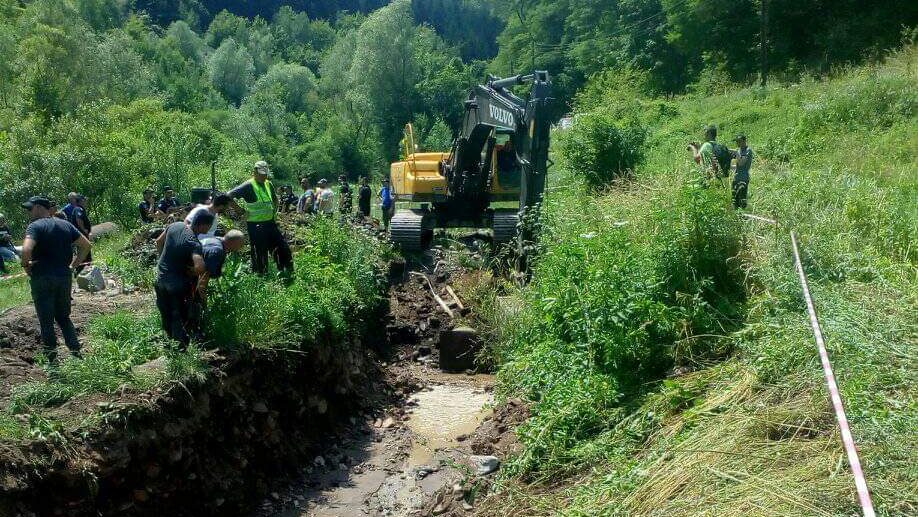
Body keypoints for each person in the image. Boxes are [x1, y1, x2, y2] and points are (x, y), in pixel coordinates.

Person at [19, 196, 92, 364]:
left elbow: (26, 249)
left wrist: (26, 265)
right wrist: (73, 266)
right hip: (64, 277)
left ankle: (52, 360)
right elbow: (86, 245)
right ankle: (76, 354)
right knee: (64, 317)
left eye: (30, 209)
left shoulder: (35, 226)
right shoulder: (65, 224)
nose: (29, 212)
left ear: (38, 207)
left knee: (46, 321)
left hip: (42, 277)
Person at [154, 213, 212, 348]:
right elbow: (200, 267)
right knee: (178, 315)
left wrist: (163, 261)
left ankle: (168, 344)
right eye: (208, 226)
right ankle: (181, 349)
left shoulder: (175, 225)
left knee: (165, 313)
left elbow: (158, 242)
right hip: (177, 283)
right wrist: (191, 271)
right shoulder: (194, 243)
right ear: (203, 225)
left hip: (161, 278)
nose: (208, 230)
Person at [227, 160, 293, 276]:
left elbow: (274, 199)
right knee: (260, 252)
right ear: (255, 172)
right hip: (256, 226)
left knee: (282, 247)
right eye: (261, 174)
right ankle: (261, 276)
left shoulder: (268, 184)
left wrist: (275, 211)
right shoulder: (248, 185)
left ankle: (285, 272)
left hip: (270, 223)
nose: (264, 176)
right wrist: (240, 211)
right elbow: (228, 196)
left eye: (265, 174)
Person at [731, 134, 753, 209]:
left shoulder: (748, 150)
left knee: (742, 200)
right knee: (734, 201)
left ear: (744, 141)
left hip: (743, 178)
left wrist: (736, 153)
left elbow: (741, 163)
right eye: (736, 142)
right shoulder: (739, 150)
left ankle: (744, 216)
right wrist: (729, 167)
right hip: (736, 178)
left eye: (739, 141)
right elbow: (738, 166)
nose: (737, 143)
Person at [72, 195, 92, 270]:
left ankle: (85, 270)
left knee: (86, 253)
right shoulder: (78, 209)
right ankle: (81, 271)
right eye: (84, 200)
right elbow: (78, 219)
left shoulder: (80, 209)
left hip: (82, 235)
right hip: (81, 235)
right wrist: (84, 229)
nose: (86, 202)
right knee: (84, 253)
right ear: (81, 201)